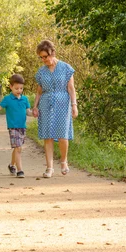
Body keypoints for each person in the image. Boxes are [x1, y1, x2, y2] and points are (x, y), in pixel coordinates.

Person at [32, 40, 78, 178]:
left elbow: (71, 88)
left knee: (63, 135)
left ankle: (64, 161)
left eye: (45, 56)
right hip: (45, 105)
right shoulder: (41, 72)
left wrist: (74, 105)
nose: (43, 60)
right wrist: (35, 106)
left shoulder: (66, 68)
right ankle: (49, 167)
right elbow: (39, 91)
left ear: (53, 53)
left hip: (63, 104)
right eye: (41, 57)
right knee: (48, 136)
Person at [0, 74, 32, 179]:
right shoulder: (7, 99)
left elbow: (28, 112)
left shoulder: (25, 99)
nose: (19, 90)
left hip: (22, 127)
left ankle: (12, 165)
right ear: (11, 87)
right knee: (18, 148)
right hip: (13, 127)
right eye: (16, 88)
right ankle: (20, 170)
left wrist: (34, 113)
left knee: (17, 148)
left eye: (21, 88)